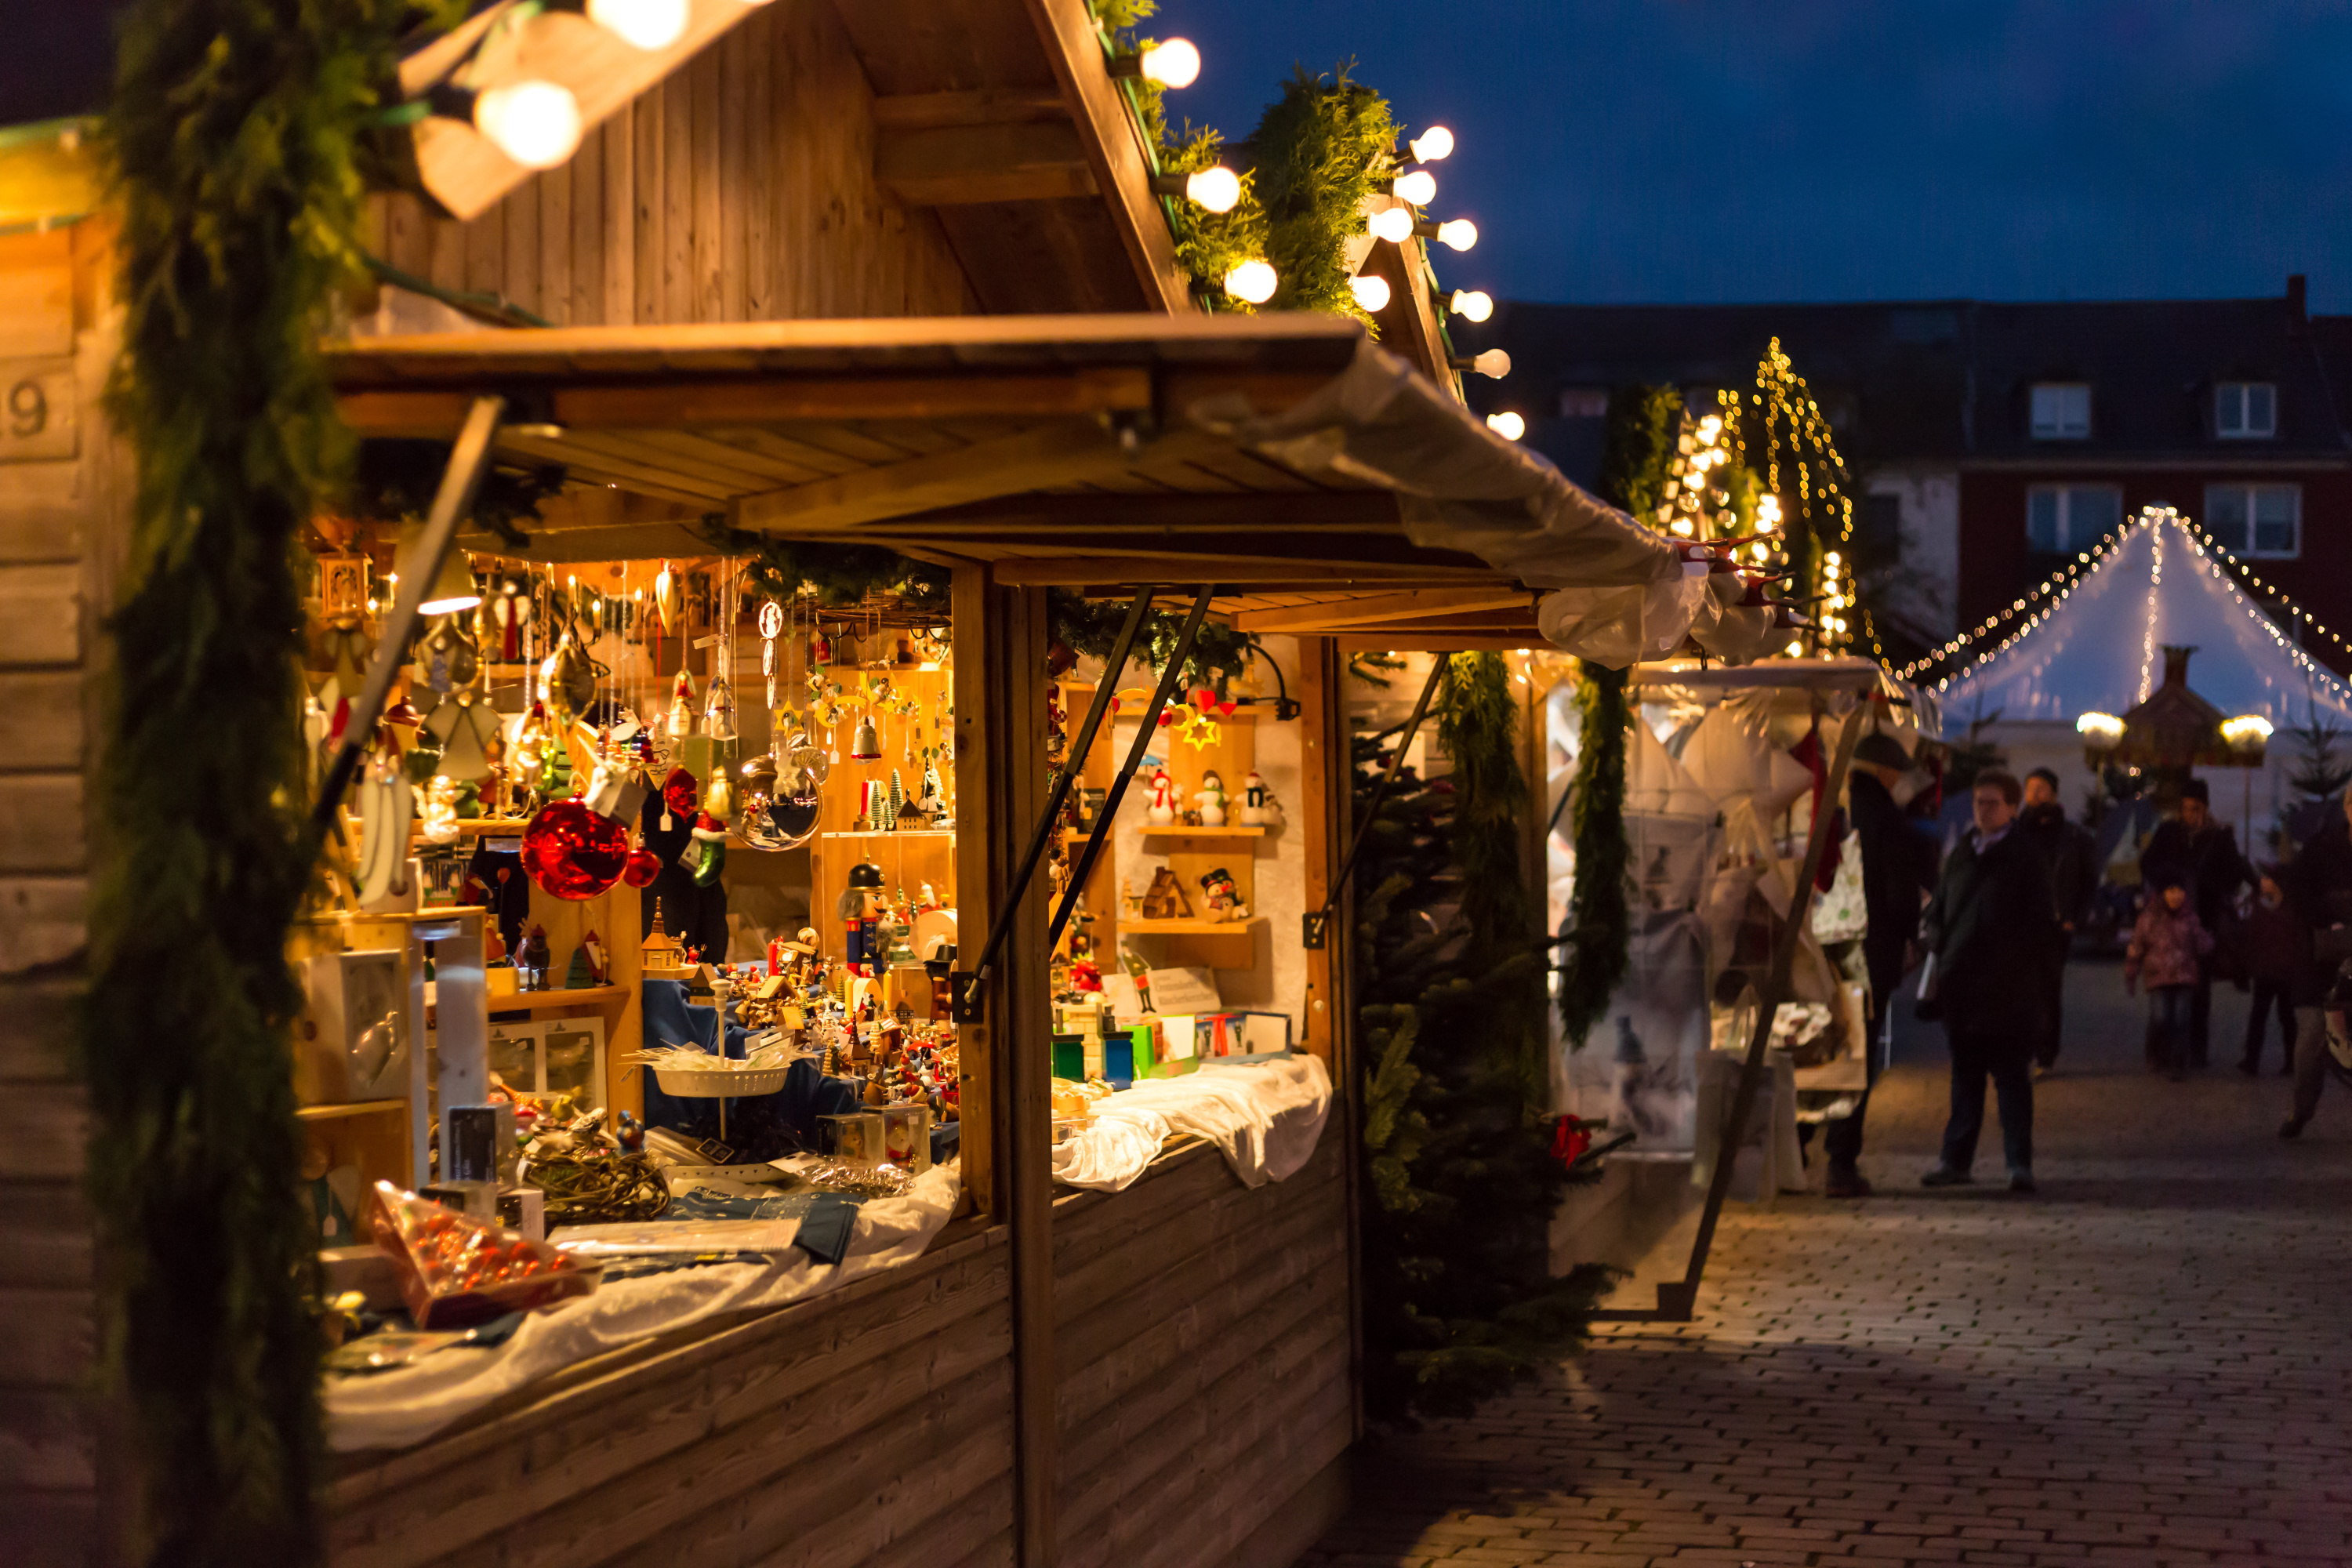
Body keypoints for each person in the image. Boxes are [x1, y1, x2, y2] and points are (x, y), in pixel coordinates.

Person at [1921, 768, 2060, 1194]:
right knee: (1965, 1078)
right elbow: (1942, 907)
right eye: (1979, 802)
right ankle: (1955, 1160)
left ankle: (2019, 1164)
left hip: (2009, 989)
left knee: (2012, 1079)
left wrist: (2033, 983)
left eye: (1992, 803)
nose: (1983, 810)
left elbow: (2042, 927)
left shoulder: (2026, 857)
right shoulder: (1963, 852)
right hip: (1963, 986)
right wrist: (1936, 939)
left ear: (2012, 808)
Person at [1818, 728, 1936, 1200]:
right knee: (1859, 1056)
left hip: (1826, 948)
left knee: (1823, 1045)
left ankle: (1799, 1145)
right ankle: (1841, 1161)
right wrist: (1909, 937)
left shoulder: (1835, 808)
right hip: (1874, 950)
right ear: (1888, 773)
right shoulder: (1887, 817)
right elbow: (1900, 892)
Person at [2137, 778, 2253, 1068]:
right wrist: (2169, 882)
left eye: (2196, 808)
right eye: (2187, 808)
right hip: (2167, 920)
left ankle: (2194, 1049)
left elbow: (2234, 872)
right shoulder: (2168, 833)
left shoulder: (2218, 837)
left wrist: (2213, 885)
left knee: (2198, 988)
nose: (2191, 814)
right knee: (2164, 988)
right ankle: (2161, 1050)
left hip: (2203, 919)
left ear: (2204, 807)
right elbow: (2148, 864)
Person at [2013, 767, 2096, 1073]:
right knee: (2018, 987)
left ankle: (2045, 1052)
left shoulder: (2071, 836)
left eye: (2041, 788)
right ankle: (2021, 1048)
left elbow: (2089, 879)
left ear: (2054, 793)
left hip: (2055, 924)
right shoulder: (2015, 832)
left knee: (2047, 989)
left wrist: (2076, 917)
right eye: (2030, 787)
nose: (2034, 794)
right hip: (2019, 924)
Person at [2281, 789, 2352, 1138]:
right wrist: (2334, 909)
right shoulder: (2321, 850)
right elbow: (2299, 896)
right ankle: (2302, 1107)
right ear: (2349, 808)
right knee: (2311, 1038)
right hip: (2323, 960)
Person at [2125, 873, 2213, 1081]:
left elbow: (2203, 945)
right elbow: (2136, 946)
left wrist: (2206, 941)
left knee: (2182, 1019)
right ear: (2162, 893)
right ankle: (2156, 1052)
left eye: (2179, 891)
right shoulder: (2149, 918)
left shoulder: (2190, 918)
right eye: (2171, 891)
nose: (2176, 896)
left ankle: (2178, 1062)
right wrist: (2131, 972)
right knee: (2161, 1018)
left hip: (2184, 976)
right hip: (2158, 975)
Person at [2241, 869, 2303, 1076]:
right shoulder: (2258, 906)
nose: (2262, 882)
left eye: (2267, 878)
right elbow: (2251, 938)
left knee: (2285, 1018)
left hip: (2284, 972)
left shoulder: (2289, 909)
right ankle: (2251, 1061)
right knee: (2259, 1017)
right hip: (2265, 971)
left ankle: (2292, 1062)